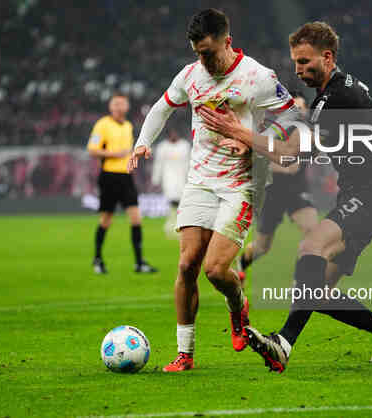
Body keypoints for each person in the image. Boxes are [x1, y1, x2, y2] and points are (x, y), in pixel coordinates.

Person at [198, 21, 372, 373]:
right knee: (315, 291)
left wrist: (237, 130)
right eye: (295, 63)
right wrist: (251, 142)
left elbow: (288, 155)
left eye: (304, 62)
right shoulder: (337, 93)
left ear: (328, 57)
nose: (298, 70)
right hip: (363, 194)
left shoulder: (336, 97)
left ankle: (283, 344)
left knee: (310, 247)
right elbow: (297, 153)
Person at [128, 8, 299, 372]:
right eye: (197, 53)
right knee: (187, 264)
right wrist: (143, 142)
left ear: (227, 42)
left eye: (209, 53)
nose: (203, 61)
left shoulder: (257, 76)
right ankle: (185, 353)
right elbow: (161, 108)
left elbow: (293, 116)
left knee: (216, 270)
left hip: (241, 183)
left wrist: (255, 140)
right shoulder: (191, 76)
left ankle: (238, 307)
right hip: (200, 182)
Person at [235, 93, 318, 282]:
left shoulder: (308, 132)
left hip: (297, 188)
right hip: (272, 191)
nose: (299, 112)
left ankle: (301, 280)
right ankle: (242, 262)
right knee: (262, 246)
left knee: (313, 231)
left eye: (302, 108)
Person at [87, 92, 158, 275]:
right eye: (116, 104)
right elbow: (92, 149)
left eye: (122, 104)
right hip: (109, 177)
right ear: (111, 106)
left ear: (126, 106)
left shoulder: (128, 126)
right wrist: (114, 154)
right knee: (106, 220)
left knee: (136, 218)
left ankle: (139, 262)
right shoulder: (102, 125)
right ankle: (98, 259)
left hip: (126, 178)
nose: (119, 107)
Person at [151, 128, 191, 238]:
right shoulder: (162, 147)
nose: (173, 135)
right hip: (168, 177)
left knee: (181, 202)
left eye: (175, 133)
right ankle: (171, 224)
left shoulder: (185, 146)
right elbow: (158, 164)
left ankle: (178, 224)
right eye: (171, 133)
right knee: (172, 201)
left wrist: (190, 178)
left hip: (182, 177)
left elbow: (189, 162)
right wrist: (156, 179)